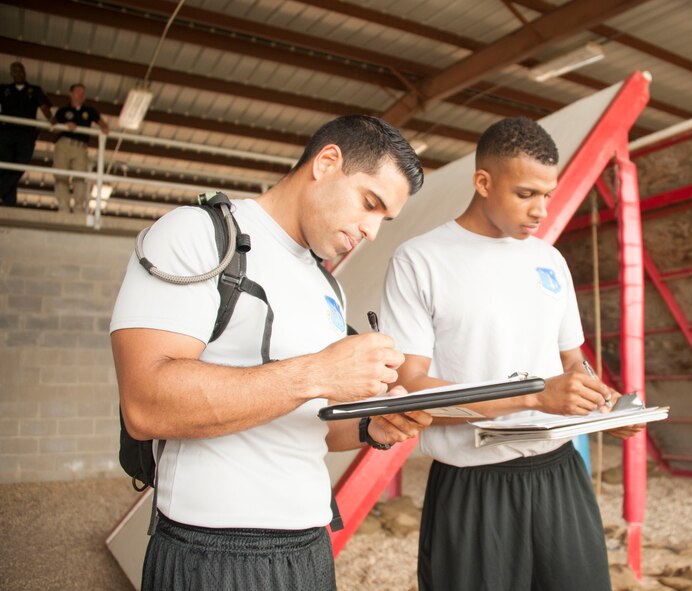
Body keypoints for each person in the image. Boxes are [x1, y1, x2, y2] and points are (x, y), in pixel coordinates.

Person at [110, 115, 430, 591]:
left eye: (384, 218)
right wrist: (318, 371)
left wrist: (371, 426)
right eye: (370, 203)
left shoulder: (328, 287)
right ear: (326, 163)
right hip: (211, 551)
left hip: (309, 547)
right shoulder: (197, 235)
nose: (372, 230)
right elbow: (145, 403)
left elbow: (311, 426)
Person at [380, 117, 642, 591]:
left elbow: (572, 364)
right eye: (525, 194)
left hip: (559, 472)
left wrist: (603, 407)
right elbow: (410, 391)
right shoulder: (421, 260)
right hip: (473, 485)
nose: (541, 210)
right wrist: (535, 396)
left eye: (547, 194)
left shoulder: (549, 260)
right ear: (483, 182)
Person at [0, 62, 52, 206]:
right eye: (14, 71)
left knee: (20, 165)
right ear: (11, 74)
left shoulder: (34, 90)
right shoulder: (4, 90)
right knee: (5, 167)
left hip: (26, 134)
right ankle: (10, 202)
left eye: (20, 70)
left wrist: (52, 120)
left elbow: (44, 107)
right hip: (6, 133)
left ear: (24, 72)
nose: (18, 73)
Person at [51, 83, 109, 213]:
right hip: (64, 144)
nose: (81, 95)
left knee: (80, 177)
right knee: (61, 175)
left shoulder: (89, 111)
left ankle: (79, 208)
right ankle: (63, 207)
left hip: (81, 147)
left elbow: (103, 124)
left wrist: (104, 128)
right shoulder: (63, 111)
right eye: (78, 92)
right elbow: (53, 126)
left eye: (83, 93)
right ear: (71, 94)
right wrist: (65, 125)